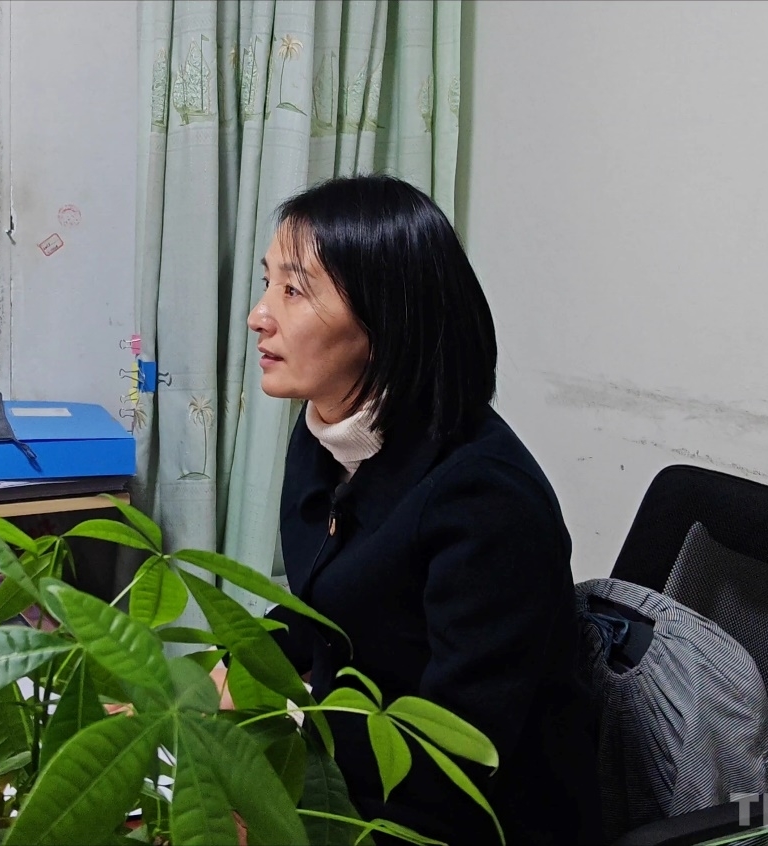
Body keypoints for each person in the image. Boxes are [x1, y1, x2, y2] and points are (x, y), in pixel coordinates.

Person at [246, 174, 604, 845]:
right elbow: (325, 610)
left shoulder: (485, 499)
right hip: (355, 779)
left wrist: (286, 759)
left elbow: (456, 758)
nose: (259, 315)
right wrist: (210, 678)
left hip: (470, 821)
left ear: (384, 319)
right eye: (267, 283)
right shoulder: (326, 434)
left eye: (294, 290)